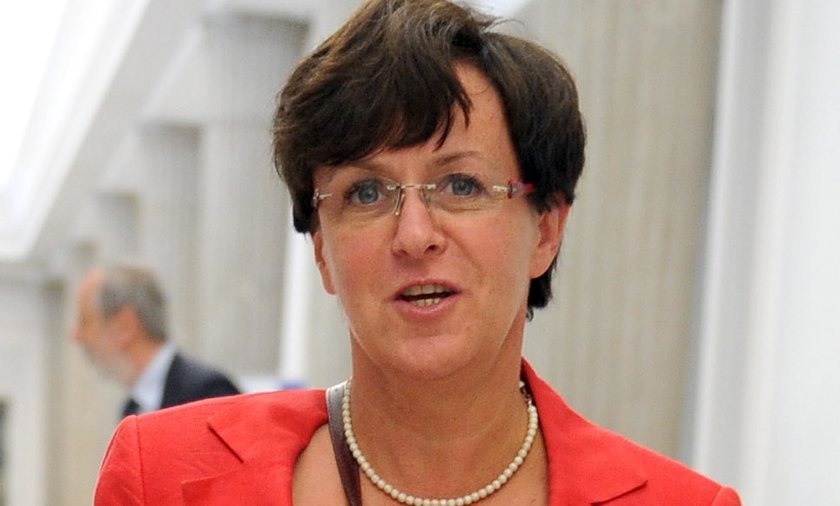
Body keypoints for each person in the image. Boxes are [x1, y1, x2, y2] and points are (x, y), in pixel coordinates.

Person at [94, 0, 741, 504]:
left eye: (461, 185)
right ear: (321, 250)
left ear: (545, 230)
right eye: (366, 192)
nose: (413, 234)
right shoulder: (162, 476)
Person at [72, 265, 240, 418]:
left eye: (85, 322)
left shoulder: (209, 393)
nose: (75, 335)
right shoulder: (132, 408)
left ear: (125, 325)